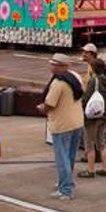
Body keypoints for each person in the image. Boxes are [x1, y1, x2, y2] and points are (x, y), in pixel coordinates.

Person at [39, 53, 84, 200]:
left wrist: (42, 109)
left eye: (53, 64)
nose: (50, 66)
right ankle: (65, 182)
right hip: (77, 121)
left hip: (62, 124)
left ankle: (66, 189)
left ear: (59, 66)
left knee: (62, 158)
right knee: (70, 156)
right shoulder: (76, 77)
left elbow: (50, 104)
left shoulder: (58, 83)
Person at [78, 57, 106, 180]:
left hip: (92, 117)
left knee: (89, 143)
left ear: (93, 68)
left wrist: (81, 106)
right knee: (101, 142)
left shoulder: (93, 81)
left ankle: (90, 170)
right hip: (104, 114)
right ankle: (105, 168)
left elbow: (86, 97)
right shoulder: (105, 80)